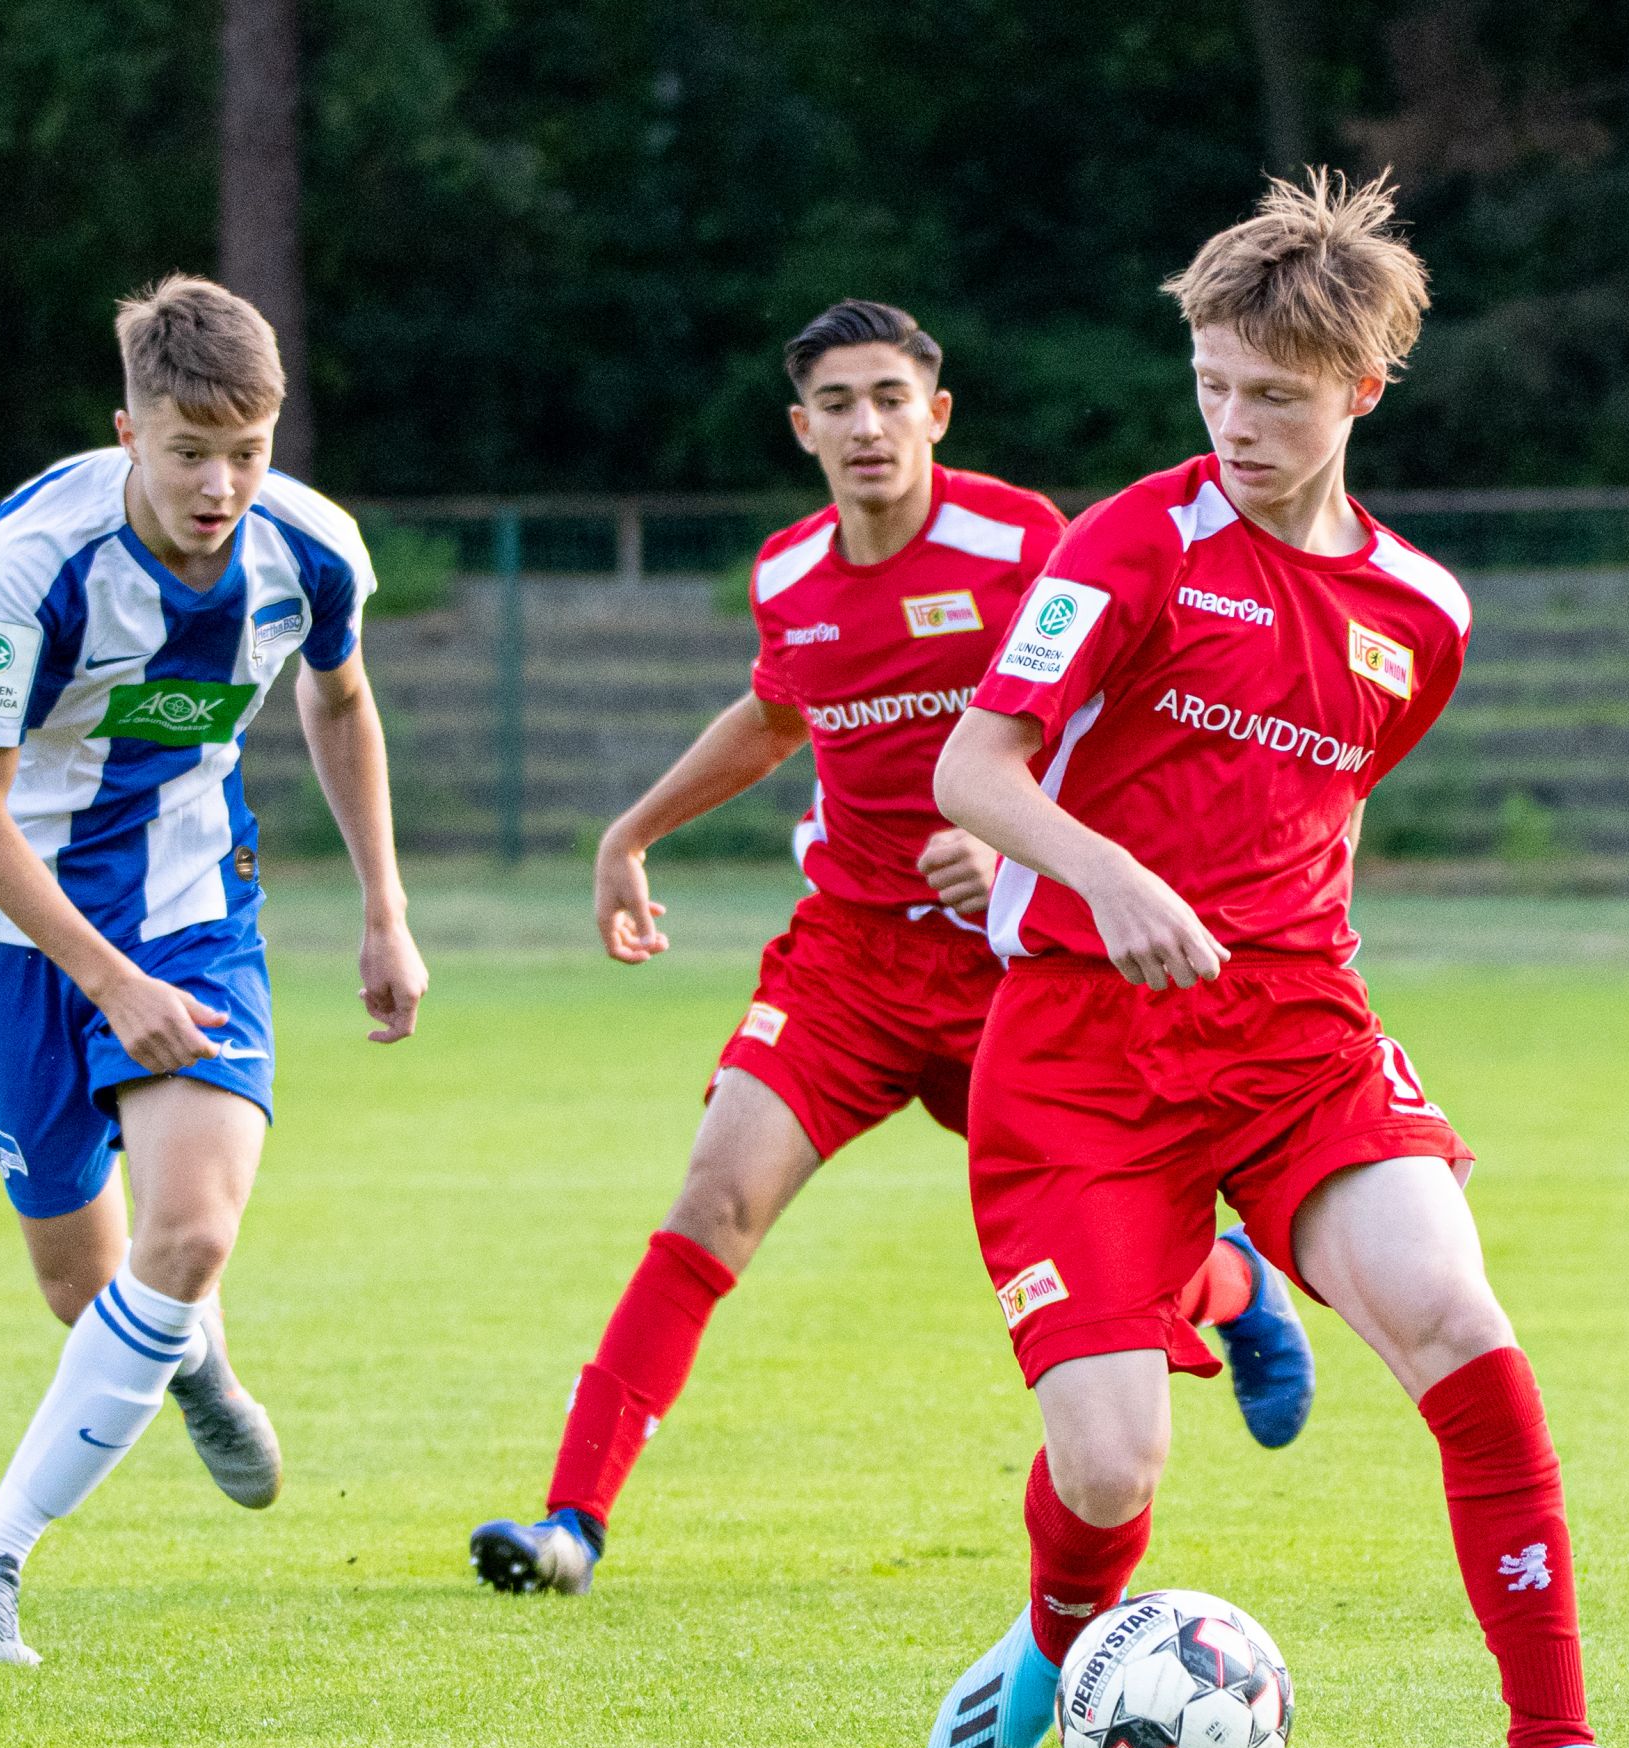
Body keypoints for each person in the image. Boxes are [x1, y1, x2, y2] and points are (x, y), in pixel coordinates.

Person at [921, 172, 1629, 1748]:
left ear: (1361, 391)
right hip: (1078, 1054)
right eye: (1213, 388)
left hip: (1291, 1039)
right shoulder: (1133, 542)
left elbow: (1316, 817)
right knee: (1114, 1463)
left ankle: (1556, 1744)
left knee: (1461, 1326)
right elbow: (978, 772)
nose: (1237, 424)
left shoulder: (1425, 618)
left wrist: (1242, 929)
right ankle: (1060, 1639)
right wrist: (1106, 874)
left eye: (1274, 395)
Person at [467, 301, 1316, 1599]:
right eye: (839, 404)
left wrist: (1022, 850)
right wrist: (630, 833)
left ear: (937, 413)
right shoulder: (790, 575)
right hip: (849, 964)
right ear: (801, 427)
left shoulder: (1024, 542)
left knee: (1103, 1233)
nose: (867, 426)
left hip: (1015, 973)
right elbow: (773, 716)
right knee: (713, 1201)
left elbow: (1119, 713)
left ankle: (1229, 1285)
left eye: (889, 398)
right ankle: (570, 1525)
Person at [0, 274, 425, 1667]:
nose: (220, 485)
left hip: (195, 900)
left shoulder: (312, 551)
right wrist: (106, 983)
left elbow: (340, 698)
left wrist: (384, 905)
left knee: (189, 1234)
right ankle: (195, 1362)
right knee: (95, 1293)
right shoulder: (34, 560)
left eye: (247, 453)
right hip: (17, 917)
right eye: (189, 450)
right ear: (127, 427)